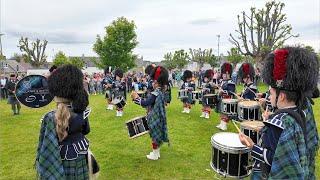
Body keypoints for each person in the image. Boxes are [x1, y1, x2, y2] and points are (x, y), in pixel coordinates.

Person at [238, 47, 319, 179]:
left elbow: (271, 159)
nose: (269, 97)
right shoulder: (301, 112)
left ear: (281, 97)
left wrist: (252, 146)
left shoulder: (278, 123)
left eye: (270, 93)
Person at [36, 65, 91, 179]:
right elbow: (86, 130)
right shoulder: (82, 110)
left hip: (61, 160)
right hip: (81, 153)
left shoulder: (50, 117)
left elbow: (48, 147)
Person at [131, 66, 169, 160]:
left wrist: (136, 98)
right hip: (159, 117)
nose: (152, 83)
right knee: (157, 135)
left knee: (154, 136)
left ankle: (155, 155)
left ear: (156, 82)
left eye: (153, 81)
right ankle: (157, 152)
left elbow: (146, 103)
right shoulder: (161, 91)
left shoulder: (155, 93)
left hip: (154, 117)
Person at [215, 63, 236, 130]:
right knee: (221, 112)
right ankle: (221, 123)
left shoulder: (231, 82)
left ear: (228, 73)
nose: (223, 75)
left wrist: (223, 92)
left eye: (224, 74)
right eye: (223, 74)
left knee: (225, 113)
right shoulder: (222, 81)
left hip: (227, 100)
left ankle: (224, 125)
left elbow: (231, 92)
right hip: (221, 99)